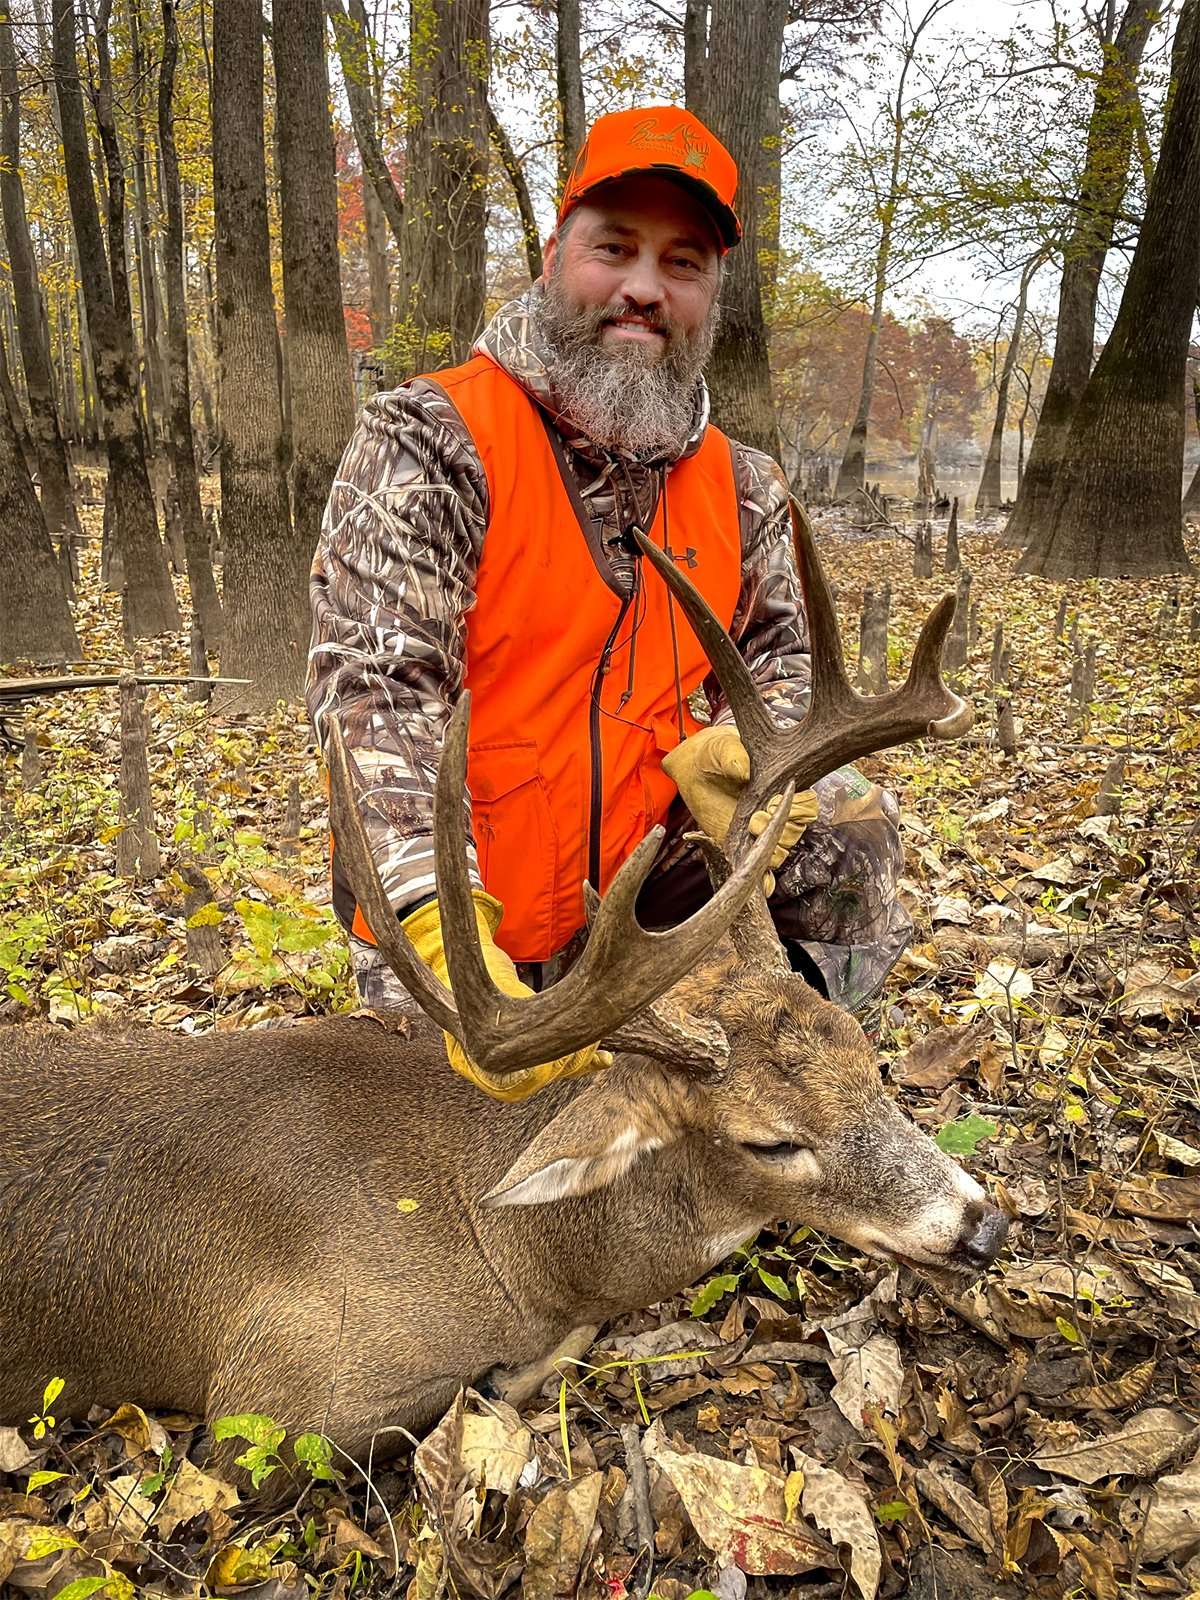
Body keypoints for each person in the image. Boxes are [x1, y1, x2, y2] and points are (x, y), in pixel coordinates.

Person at [308, 106, 910, 1099]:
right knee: (455, 1156)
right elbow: (377, 697)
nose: (642, 288)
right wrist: (432, 916)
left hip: (652, 890)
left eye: (682, 263)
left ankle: (800, 1098)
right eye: (614, 248)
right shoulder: (434, 437)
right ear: (555, 254)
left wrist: (755, 757)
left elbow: (784, 670)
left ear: (712, 293)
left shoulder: (745, 485)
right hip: (474, 901)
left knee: (851, 830)